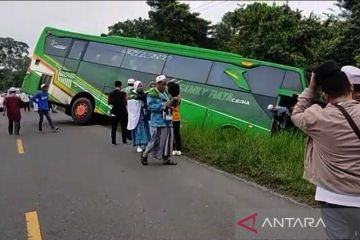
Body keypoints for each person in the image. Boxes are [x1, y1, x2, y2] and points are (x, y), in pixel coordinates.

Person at [291, 60, 360, 240]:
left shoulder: (316, 117)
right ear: (350, 87)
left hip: (332, 198)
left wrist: (311, 88)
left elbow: (296, 113)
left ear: (324, 93)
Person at [141, 75, 178, 165]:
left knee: (168, 141)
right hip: (158, 121)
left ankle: (166, 158)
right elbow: (151, 107)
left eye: (165, 84)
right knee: (155, 141)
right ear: (157, 84)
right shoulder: (152, 93)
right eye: (162, 84)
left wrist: (174, 102)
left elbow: (170, 104)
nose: (164, 86)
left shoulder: (166, 93)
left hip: (168, 119)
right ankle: (145, 154)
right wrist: (165, 105)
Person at [127, 81, 151, 152]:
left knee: (146, 129)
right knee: (138, 130)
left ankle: (146, 144)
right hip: (136, 116)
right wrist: (139, 102)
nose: (140, 87)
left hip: (144, 115)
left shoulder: (144, 94)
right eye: (138, 86)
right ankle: (139, 145)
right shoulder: (132, 94)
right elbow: (130, 103)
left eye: (141, 86)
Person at [108, 80, 129, 145]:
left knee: (114, 127)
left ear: (115, 85)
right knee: (123, 127)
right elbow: (126, 102)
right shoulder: (123, 94)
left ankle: (113, 141)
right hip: (123, 112)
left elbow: (109, 102)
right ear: (120, 86)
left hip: (114, 112)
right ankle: (124, 140)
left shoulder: (111, 93)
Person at [167, 80, 182, 156]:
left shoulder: (173, 98)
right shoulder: (178, 97)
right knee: (176, 133)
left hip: (171, 117)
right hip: (176, 117)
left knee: (172, 133)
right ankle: (178, 149)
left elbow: (170, 106)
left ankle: (174, 148)